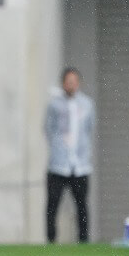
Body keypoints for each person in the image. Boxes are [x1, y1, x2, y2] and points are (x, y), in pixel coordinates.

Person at [44, 67, 95, 244]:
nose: (71, 85)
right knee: (53, 204)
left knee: (82, 204)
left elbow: (89, 128)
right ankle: (51, 239)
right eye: (68, 81)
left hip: (80, 164)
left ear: (78, 83)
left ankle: (84, 239)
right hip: (58, 164)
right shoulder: (54, 105)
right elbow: (48, 129)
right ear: (63, 83)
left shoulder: (87, 104)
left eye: (74, 81)